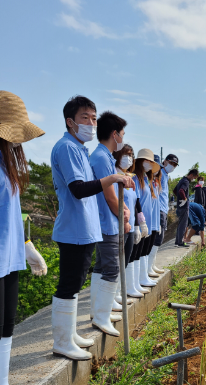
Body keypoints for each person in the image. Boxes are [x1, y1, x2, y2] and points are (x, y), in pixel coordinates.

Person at [51, 96, 134, 359]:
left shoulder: (80, 149)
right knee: (68, 284)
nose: (90, 123)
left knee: (75, 283)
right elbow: (78, 190)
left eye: (94, 118)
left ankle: (69, 334)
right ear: (70, 121)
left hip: (84, 229)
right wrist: (111, 178)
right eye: (85, 117)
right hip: (73, 229)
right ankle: (62, 341)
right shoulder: (67, 148)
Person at [0, 91, 47, 385]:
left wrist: (28, 245)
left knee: (5, 323)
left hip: (10, 255)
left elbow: (12, 214)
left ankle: (1, 384)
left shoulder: (6, 164)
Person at [89, 112, 136, 336]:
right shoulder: (101, 157)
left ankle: (99, 312)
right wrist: (123, 217)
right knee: (111, 269)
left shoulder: (104, 156)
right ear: (114, 134)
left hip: (105, 221)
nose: (123, 139)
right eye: (122, 134)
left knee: (101, 267)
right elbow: (109, 196)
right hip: (106, 222)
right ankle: (101, 317)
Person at [113, 143, 145, 299]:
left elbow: (135, 202)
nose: (129, 158)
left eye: (131, 155)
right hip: (120, 225)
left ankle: (120, 289)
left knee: (126, 259)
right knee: (117, 261)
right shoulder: (114, 177)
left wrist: (139, 223)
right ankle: (114, 293)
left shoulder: (130, 179)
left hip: (130, 225)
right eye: (126, 155)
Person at [133, 149, 160, 285]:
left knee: (143, 251)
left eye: (151, 162)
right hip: (139, 222)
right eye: (147, 160)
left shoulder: (146, 179)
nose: (150, 164)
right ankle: (136, 282)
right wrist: (140, 222)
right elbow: (136, 201)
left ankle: (142, 278)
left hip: (148, 222)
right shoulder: (135, 178)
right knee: (136, 253)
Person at [151, 153, 179, 274]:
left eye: (175, 165)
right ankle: (148, 267)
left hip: (163, 208)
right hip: (158, 209)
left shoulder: (166, 175)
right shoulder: (159, 172)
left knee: (159, 238)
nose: (172, 166)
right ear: (165, 161)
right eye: (171, 163)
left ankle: (151, 265)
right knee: (157, 238)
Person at [174, 168, 199, 247]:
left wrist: (179, 199)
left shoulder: (182, 180)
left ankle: (177, 241)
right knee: (183, 224)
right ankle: (180, 242)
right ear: (191, 175)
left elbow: (175, 190)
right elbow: (181, 191)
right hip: (184, 206)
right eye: (194, 178)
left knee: (180, 224)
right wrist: (184, 199)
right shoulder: (186, 181)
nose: (193, 179)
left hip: (179, 205)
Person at [147, 159, 162, 277]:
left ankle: (149, 268)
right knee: (144, 249)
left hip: (154, 220)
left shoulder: (156, 183)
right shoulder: (146, 182)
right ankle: (145, 272)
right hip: (146, 221)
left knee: (152, 243)